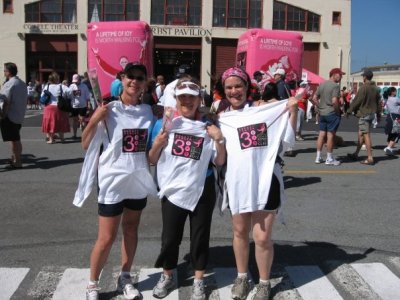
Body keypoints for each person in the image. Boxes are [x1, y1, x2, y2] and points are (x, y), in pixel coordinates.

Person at [73, 62, 157, 300]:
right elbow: (86, 144)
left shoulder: (148, 111)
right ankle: (92, 284)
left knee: (131, 230)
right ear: (122, 77)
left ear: (144, 83)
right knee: (106, 237)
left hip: (138, 178)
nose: (135, 81)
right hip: (112, 180)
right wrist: (94, 119)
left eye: (140, 78)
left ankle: (125, 277)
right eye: (131, 76)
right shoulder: (107, 109)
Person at [216, 67, 297, 300]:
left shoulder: (264, 111)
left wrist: (291, 111)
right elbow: (217, 157)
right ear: (224, 90)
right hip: (237, 182)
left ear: (247, 87)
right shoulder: (222, 119)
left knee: (262, 237)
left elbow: (288, 142)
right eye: (229, 87)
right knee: (240, 232)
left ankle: (263, 282)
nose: (234, 91)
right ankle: (242, 276)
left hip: (265, 181)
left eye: (238, 85)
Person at [149, 76, 226, 300]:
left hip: (202, 188)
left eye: (191, 98)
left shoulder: (208, 126)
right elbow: (152, 159)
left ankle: (199, 280)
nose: (187, 102)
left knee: (200, 237)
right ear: (176, 99)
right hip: (173, 190)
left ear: (198, 99)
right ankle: (168, 274)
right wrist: (157, 143)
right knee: (170, 238)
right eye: (182, 98)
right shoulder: (165, 124)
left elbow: (219, 161)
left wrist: (219, 140)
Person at [346, 69, 381, 165]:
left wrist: (349, 111)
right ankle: (356, 154)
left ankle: (370, 158)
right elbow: (378, 103)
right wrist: (378, 114)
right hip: (371, 114)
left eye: (363, 76)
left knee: (366, 135)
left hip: (364, 114)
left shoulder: (363, 87)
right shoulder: (376, 88)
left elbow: (357, 101)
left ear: (365, 77)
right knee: (361, 134)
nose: (362, 78)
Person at [312, 68, 345, 166]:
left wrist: (320, 107)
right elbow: (335, 101)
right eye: (340, 74)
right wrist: (337, 111)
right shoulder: (335, 86)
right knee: (330, 135)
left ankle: (318, 157)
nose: (341, 77)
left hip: (323, 113)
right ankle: (329, 158)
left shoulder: (322, 84)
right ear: (334, 74)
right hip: (331, 113)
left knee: (321, 134)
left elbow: (314, 98)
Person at [0, 62, 28, 169]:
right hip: (19, 114)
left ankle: (18, 161)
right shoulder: (21, 83)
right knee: (16, 138)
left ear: (8, 72)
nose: (4, 72)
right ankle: (16, 158)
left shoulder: (9, 84)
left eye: (5, 70)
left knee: (14, 139)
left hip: (10, 115)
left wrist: (3, 114)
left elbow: (5, 101)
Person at [41, 72, 70, 144]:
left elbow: (42, 96)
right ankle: (62, 138)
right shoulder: (61, 86)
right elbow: (70, 92)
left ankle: (51, 139)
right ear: (57, 79)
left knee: (50, 123)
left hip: (48, 107)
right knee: (61, 122)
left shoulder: (47, 86)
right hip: (59, 106)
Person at [67, 74, 92, 139]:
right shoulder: (71, 86)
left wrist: (88, 104)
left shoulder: (84, 86)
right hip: (74, 106)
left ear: (79, 80)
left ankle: (84, 135)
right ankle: (75, 134)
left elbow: (87, 96)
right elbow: (69, 96)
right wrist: (70, 92)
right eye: (74, 82)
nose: (75, 83)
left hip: (82, 105)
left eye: (76, 81)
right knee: (74, 120)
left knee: (82, 120)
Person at [382, 87, 400, 155]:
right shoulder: (395, 99)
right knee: (397, 133)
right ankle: (389, 147)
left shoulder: (387, 99)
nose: (396, 92)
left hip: (390, 116)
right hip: (396, 117)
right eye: (395, 91)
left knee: (391, 132)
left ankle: (389, 147)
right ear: (392, 92)